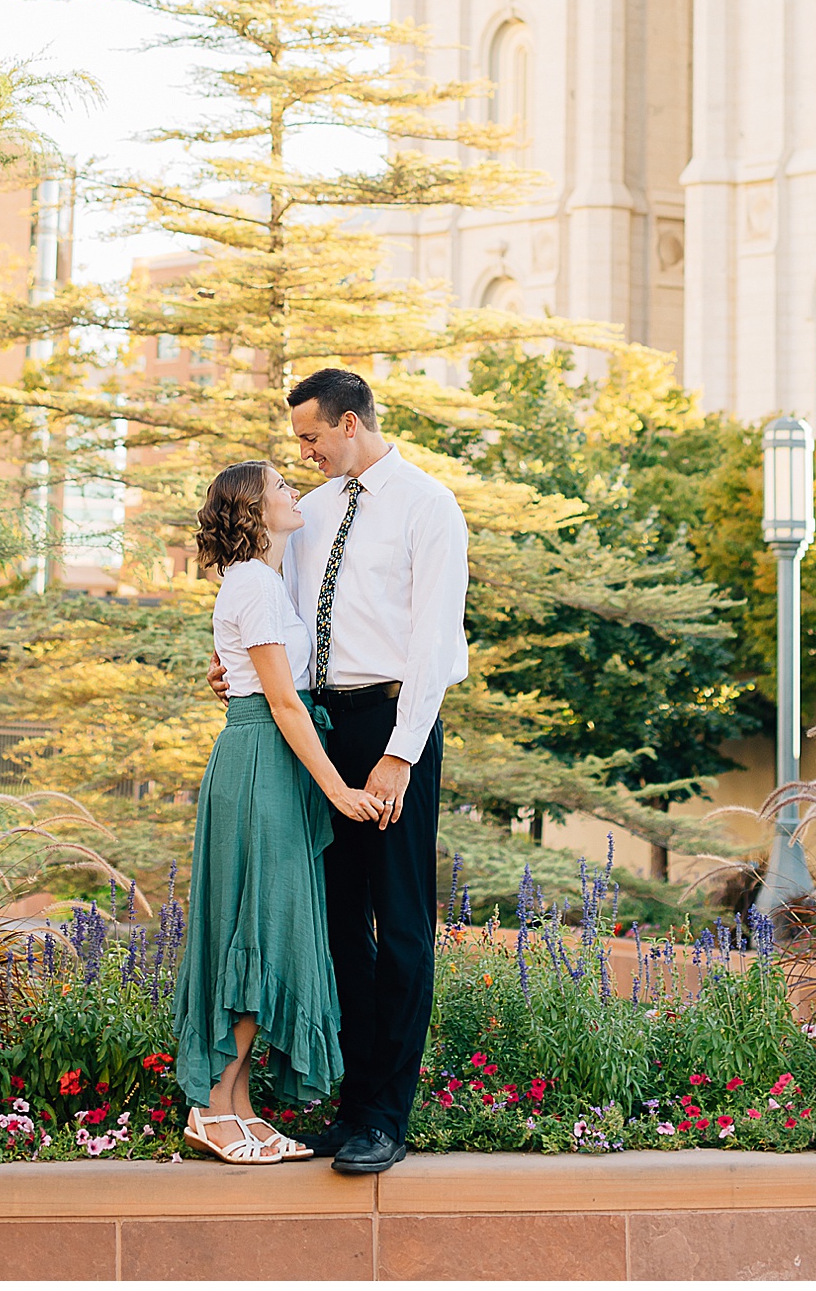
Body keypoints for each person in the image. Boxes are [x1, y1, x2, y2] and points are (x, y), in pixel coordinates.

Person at [209, 365, 469, 1176]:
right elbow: (272, 625)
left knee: (398, 925)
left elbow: (433, 641)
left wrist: (401, 753)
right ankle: (353, 1107)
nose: (305, 452)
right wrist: (235, 672)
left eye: (311, 437)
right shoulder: (309, 514)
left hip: (394, 725)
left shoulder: (429, 507)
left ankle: (385, 1118)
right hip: (318, 733)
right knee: (333, 926)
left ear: (351, 424)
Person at [173, 457, 390, 1165]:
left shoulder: (257, 584)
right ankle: (212, 1108)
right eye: (282, 488)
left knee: (254, 927)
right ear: (256, 511)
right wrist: (339, 791)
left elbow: (250, 678)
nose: (294, 493)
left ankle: (234, 1106)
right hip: (265, 761)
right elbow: (284, 702)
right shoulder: (258, 589)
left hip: (259, 758)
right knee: (257, 930)